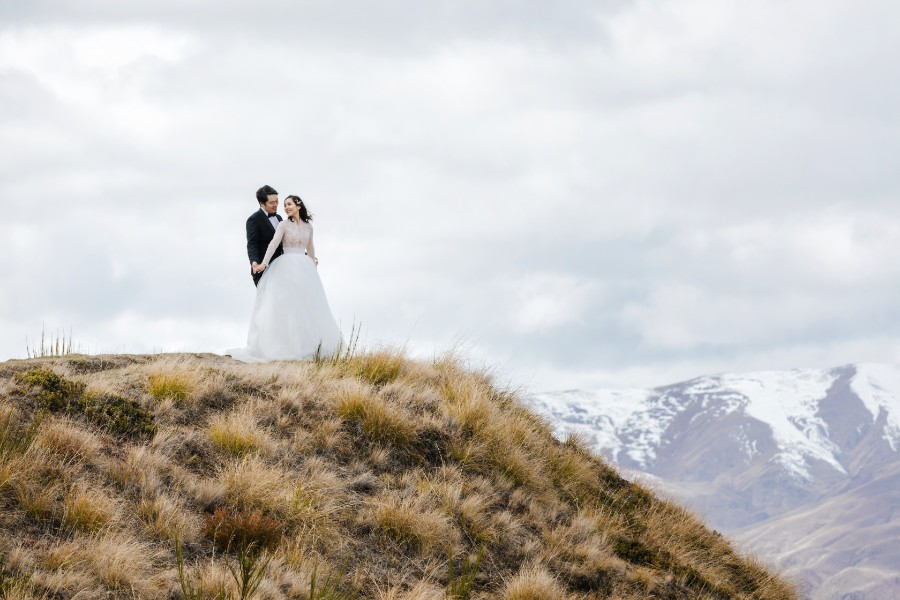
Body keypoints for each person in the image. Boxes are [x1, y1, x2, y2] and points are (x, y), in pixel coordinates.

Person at [228, 195, 343, 361]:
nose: (285, 207)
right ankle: (287, 346)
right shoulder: (283, 224)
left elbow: (310, 249)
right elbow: (273, 244)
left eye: (288, 204)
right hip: (286, 267)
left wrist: (313, 266)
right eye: (284, 205)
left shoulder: (309, 227)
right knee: (288, 307)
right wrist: (263, 264)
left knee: (307, 307)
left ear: (298, 205)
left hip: (304, 269)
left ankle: (310, 346)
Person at [246, 185, 283, 287]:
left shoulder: (279, 218)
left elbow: (285, 241)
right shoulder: (253, 219)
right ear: (262, 203)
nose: (276, 205)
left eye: (277, 201)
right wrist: (254, 262)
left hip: (281, 267)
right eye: (272, 203)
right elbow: (252, 244)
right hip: (264, 269)